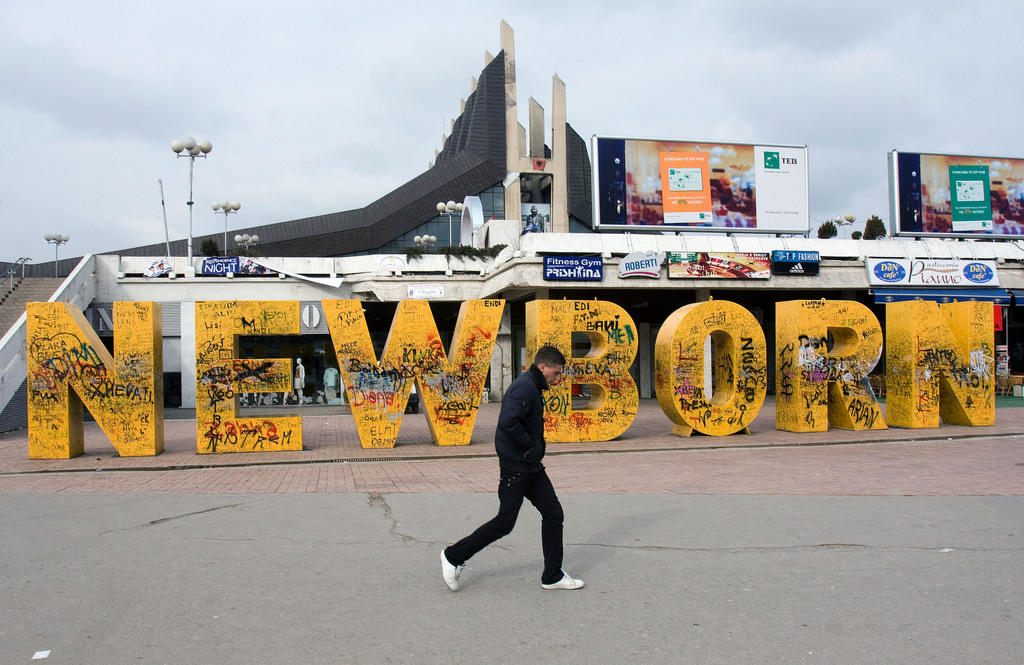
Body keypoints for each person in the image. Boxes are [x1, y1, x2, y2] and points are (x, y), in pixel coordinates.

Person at [440, 345, 583, 591]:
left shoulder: (533, 385)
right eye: (556, 373)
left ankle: (552, 576)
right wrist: (528, 447)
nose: (557, 378)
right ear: (543, 367)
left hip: (531, 466)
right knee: (505, 522)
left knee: (553, 513)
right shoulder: (525, 387)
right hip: (517, 466)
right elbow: (508, 422)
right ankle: (453, 556)